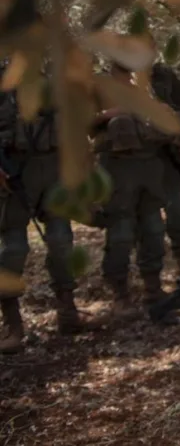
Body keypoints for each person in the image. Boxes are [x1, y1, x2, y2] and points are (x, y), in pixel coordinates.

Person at [0, 84, 87, 353]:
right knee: (14, 249)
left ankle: (68, 312)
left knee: (61, 241)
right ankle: (12, 325)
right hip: (13, 175)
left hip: (52, 171)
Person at [94, 63, 179, 319]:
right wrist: (112, 113)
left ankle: (153, 287)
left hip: (149, 167)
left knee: (153, 229)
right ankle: (121, 295)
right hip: (118, 168)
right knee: (120, 233)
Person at [150, 59, 180, 270]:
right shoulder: (117, 77)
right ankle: (150, 280)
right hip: (134, 157)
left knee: (177, 208)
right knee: (146, 222)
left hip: (167, 153)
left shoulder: (165, 75)